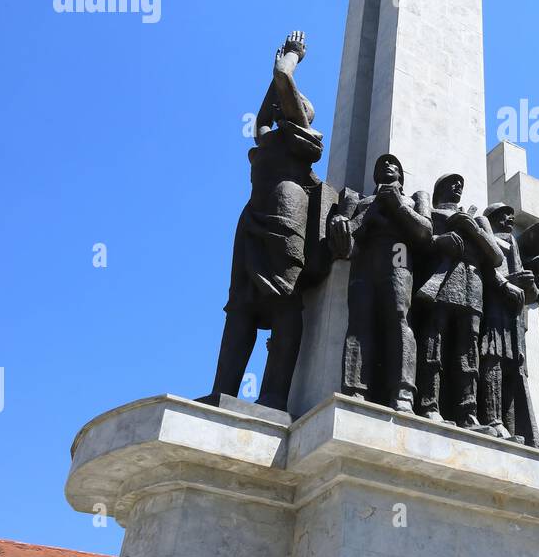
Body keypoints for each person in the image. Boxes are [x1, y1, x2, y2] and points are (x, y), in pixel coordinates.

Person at [207, 31, 323, 411]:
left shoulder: (301, 133)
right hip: (252, 219)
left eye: (289, 105)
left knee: (284, 300)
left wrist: (290, 57)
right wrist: (272, 84)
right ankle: (222, 390)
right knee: (239, 306)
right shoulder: (269, 137)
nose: (280, 107)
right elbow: (263, 114)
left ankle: (274, 394)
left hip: (286, 215)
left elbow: (283, 81)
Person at [331, 154, 432, 411]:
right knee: (359, 321)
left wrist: (398, 207)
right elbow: (344, 246)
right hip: (365, 262)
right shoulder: (360, 200)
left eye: (395, 164)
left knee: (399, 318)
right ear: (375, 175)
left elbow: (425, 233)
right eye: (382, 164)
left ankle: (403, 392)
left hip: (399, 258)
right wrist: (357, 220)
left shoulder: (412, 200)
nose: (388, 166)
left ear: (401, 174)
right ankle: (354, 389)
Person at [414, 174, 501, 429]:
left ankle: (468, 413)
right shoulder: (430, 212)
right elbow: (420, 241)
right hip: (441, 282)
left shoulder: (476, 220)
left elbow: (495, 257)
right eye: (452, 183)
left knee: (468, 352)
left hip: (472, 286)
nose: (458, 187)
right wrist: (441, 240)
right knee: (434, 345)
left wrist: (472, 228)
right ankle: (430, 405)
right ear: (439, 187)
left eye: (461, 184)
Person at [478, 204, 538, 442]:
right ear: (492, 218)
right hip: (491, 308)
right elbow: (483, 269)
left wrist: (528, 283)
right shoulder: (487, 239)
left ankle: (510, 427)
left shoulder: (512, 243)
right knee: (492, 358)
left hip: (513, 315)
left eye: (511, 215)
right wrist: (509, 281)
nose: (510, 218)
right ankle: (493, 420)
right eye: (504, 215)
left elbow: (531, 294)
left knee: (512, 367)